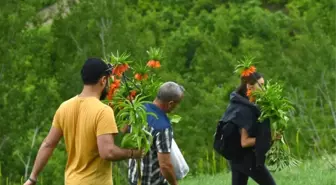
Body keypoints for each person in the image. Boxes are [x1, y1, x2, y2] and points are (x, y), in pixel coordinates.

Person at [23, 58, 144, 185]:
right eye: (108, 81)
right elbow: (107, 152)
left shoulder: (64, 107)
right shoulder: (103, 111)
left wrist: (32, 177)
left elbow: (48, 144)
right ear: (103, 80)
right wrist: (133, 153)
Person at [221, 72, 277, 185]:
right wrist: (270, 138)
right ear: (250, 86)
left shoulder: (243, 102)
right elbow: (245, 142)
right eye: (261, 85)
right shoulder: (245, 109)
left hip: (236, 158)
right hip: (247, 159)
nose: (264, 88)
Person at [127, 81, 185, 185]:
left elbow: (124, 130)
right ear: (170, 103)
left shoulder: (139, 109)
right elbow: (165, 165)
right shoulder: (163, 126)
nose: (177, 107)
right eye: (177, 104)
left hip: (134, 180)